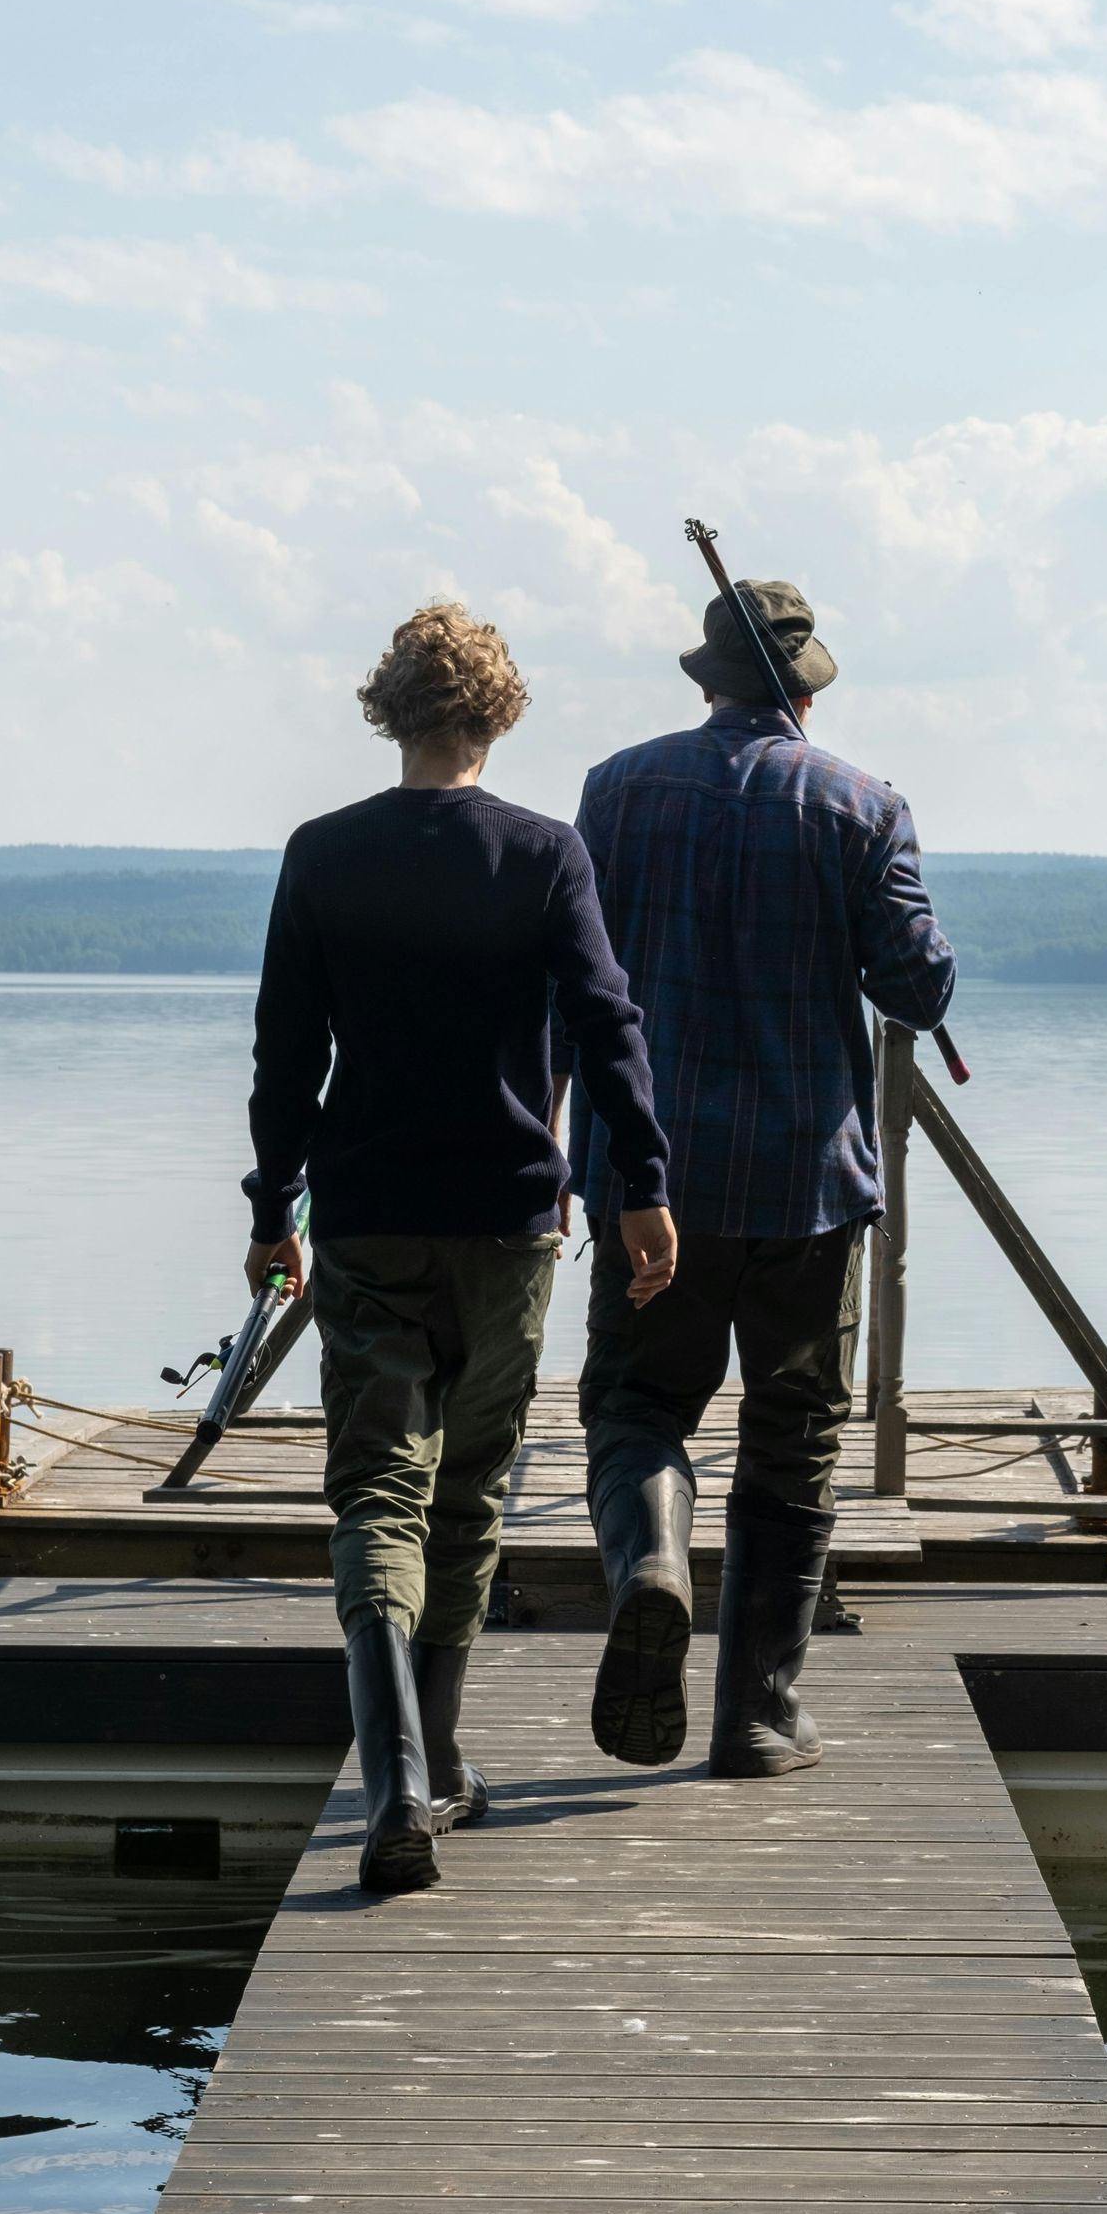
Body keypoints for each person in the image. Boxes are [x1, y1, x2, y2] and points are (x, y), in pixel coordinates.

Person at [243, 602, 677, 1895]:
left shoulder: (323, 855)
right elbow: (608, 1028)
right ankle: (436, 1764)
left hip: (368, 1216)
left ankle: (395, 1794)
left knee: (378, 1492)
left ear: (391, 712)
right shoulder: (546, 856)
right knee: (470, 1497)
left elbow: (285, 1058)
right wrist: (643, 1186)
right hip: (508, 1221)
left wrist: (275, 1211)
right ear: (498, 713)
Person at [557, 577, 955, 1780]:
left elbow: (576, 969)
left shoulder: (615, 790)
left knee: (635, 1412)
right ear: (807, 689)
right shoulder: (861, 806)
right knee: (795, 1438)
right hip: (806, 1185)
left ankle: (655, 1566)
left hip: (649, 1182)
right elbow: (917, 987)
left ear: (706, 678)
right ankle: (758, 1716)